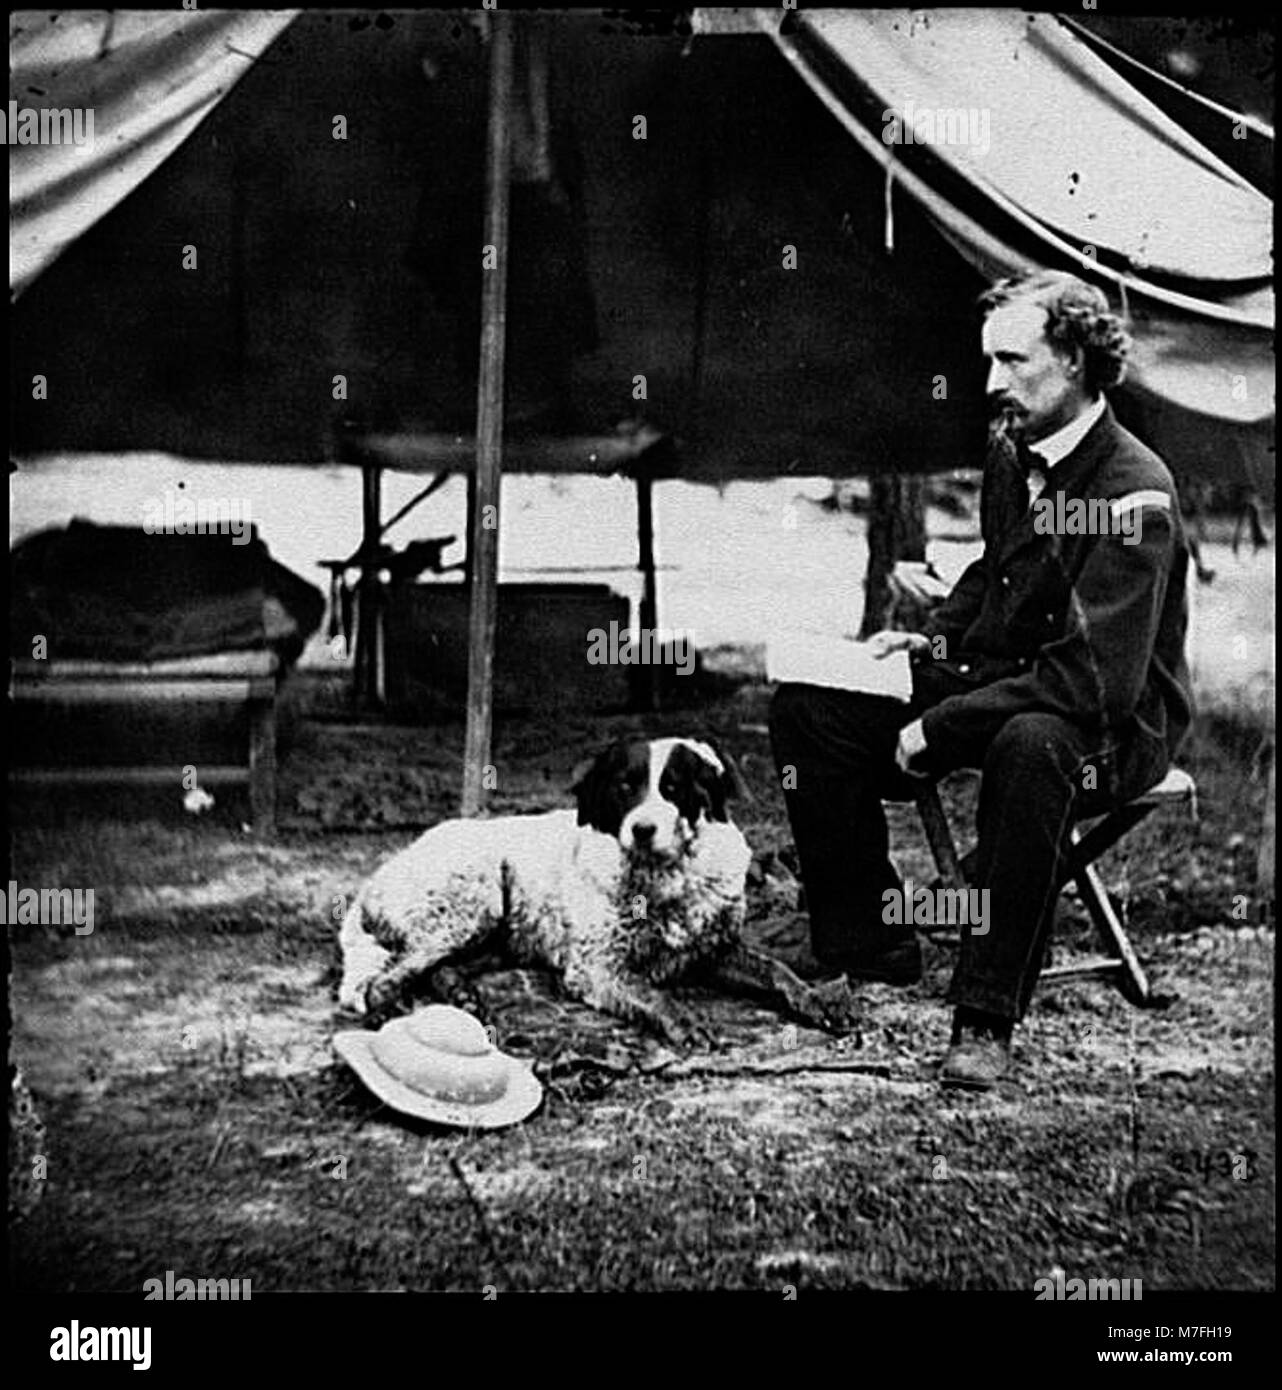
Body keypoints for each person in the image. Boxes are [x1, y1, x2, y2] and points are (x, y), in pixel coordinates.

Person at [770, 271, 1192, 1089]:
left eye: (1013, 359)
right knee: (812, 711)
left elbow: (1090, 687)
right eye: (988, 361)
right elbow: (998, 571)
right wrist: (932, 643)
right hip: (1015, 679)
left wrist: (939, 727)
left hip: (1109, 724)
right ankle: (869, 940)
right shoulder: (1014, 450)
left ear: (1072, 359)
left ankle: (985, 1016)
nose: (993, 383)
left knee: (1033, 747)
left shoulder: (1134, 492)